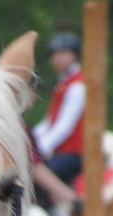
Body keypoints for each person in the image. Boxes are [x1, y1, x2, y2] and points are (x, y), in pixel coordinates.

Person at [33, 32, 87, 187]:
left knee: (38, 182)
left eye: (63, 54)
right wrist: (30, 142)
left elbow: (64, 127)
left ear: (75, 56)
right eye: (55, 55)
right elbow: (49, 122)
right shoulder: (63, 84)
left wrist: (40, 149)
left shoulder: (78, 85)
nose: (57, 59)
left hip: (74, 153)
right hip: (62, 151)